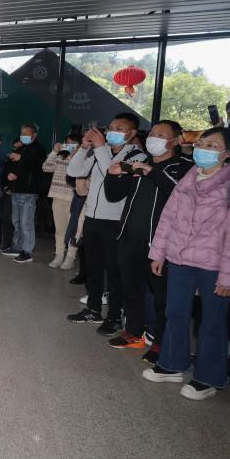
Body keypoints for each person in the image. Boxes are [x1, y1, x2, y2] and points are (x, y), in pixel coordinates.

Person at [143, 127, 230, 400]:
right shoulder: (189, 176)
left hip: (214, 265)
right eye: (202, 143)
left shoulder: (228, 186)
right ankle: (173, 364)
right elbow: (168, 217)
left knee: (212, 323)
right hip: (180, 259)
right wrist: (158, 253)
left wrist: (228, 276)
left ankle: (209, 377)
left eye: (212, 146)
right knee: (176, 314)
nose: (203, 149)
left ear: (227, 154)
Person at [102, 120, 192, 357]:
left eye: (161, 134)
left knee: (162, 298)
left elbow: (180, 195)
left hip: (161, 245)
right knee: (131, 289)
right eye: (152, 133)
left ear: (175, 140)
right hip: (129, 237)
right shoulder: (140, 162)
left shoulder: (183, 167)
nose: (154, 137)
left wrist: (152, 173)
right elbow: (113, 195)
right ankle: (134, 333)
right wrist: (113, 175)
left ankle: (161, 344)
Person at [66, 113, 147, 335]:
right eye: (111, 127)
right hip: (92, 217)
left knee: (114, 272)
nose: (112, 132)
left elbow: (112, 174)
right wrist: (84, 148)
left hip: (115, 222)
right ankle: (93, 309)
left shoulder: (137, 156)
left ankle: (114, 317)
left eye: (119, 129)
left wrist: (100, 148)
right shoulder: (101, 151)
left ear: (131, 133)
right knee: (93, 267)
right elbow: (74, 171)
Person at [1, 124, 46, 263]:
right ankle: (17, 247)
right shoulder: (22, 148)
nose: (23, 136)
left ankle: (27, 251)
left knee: (26, 223)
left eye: (26, 133)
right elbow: (11, 165)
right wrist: (9, 175)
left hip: (29, 191)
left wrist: (21, 158)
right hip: (16, 190)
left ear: (34, 135)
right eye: (22, 133)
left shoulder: (38, 149)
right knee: (16, 221)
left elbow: (36, 164)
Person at [42, 133, 81, 268]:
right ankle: (59, 255)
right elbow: (46, 167)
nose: (69, 145)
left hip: (74, 198)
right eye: (67, 142)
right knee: (60, 229)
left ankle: (70, 257)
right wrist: (54, 152)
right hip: (57, 196)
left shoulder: (83, 156)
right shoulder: (60, 156)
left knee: (73, 230)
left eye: (73, 143)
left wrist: (77, 156)